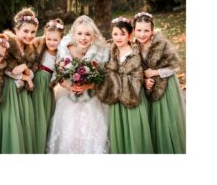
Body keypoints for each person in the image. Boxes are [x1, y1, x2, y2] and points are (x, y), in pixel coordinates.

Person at [47, 15, 110, 154]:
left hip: (92, 98)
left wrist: (87, 86)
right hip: (68, 98)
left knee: (91, 135)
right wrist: (70, 86)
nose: (83, 38)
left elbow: (103, 77)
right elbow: (58, 75)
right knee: (68, 137)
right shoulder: (64, 48)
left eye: (87, 34)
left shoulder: (100, 51)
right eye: (80, 33)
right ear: (74, 34)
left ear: (93, 35)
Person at [98, 17, 154, 153]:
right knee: (119, 130)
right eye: (115, 34)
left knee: (134, 129)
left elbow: (138, 76)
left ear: (130, 34)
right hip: (115, 99)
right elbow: (104, 72)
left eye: (122, 34)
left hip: (132, 96)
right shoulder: (110, 52)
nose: (118, 37)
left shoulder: (135, 53)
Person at [134, 12, 186, 153]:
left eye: (146, 30)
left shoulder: (161, 44)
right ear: (134, 30)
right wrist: (144, 79)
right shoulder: (134, 47)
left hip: (165, 87)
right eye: (139, 30)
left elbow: (175, 67)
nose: (142, 34)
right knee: (152, 122)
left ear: (152, 30)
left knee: (165, 121)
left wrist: (155, 72)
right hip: (148, 88)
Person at [0, 8, 38, 153]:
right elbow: (5, 67)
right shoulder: (7, 44)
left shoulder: (31, 50)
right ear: (17, 29)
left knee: (23, 123)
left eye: (33, 32)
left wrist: (27, 72)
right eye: (25, 31)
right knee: (11, 122)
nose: (29, 35)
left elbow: (32, 70)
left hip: (22, 92)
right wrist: (24, 76)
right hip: (8, 88)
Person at [30, 19, 63, 154]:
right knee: (34, 114)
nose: (51, 42)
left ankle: (41, 147)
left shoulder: (61, 54)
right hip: (36, 82)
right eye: (49, 39)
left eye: (55, 40)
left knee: (45, 115)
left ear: (61, 39)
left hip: (47, 87)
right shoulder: (38, 47)